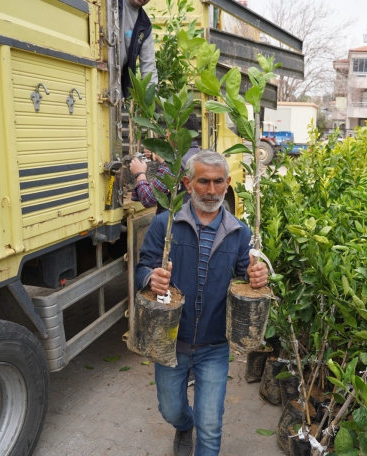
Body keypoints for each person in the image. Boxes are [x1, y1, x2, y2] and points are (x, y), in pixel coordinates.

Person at [134, 151, 268, 456]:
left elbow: (242, 279)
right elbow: (142, 268)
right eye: (203, 181)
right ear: (187, 183)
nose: (211, 190)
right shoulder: (164, 226)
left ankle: (197, 432)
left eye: (218, 182)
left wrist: (256, 277)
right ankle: (183, 426)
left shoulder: (239, 233)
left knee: (210, 427)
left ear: (227, 182)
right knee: (171, 410)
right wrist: (149, 278)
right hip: (170, 343)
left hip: (214, 345)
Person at [129, 114, 202, 212]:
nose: (166, 135)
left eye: (169, 131)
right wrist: (161, 158)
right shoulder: (200, 155)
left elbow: (148, 198)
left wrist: (139, 173)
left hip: (174, 223)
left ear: (180, 134)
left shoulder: (174, 164)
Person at [120, 0, 158, 98]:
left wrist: (151, 97)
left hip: (116, 84)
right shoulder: (110, 4)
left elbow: (148, 65)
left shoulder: (144, 25)